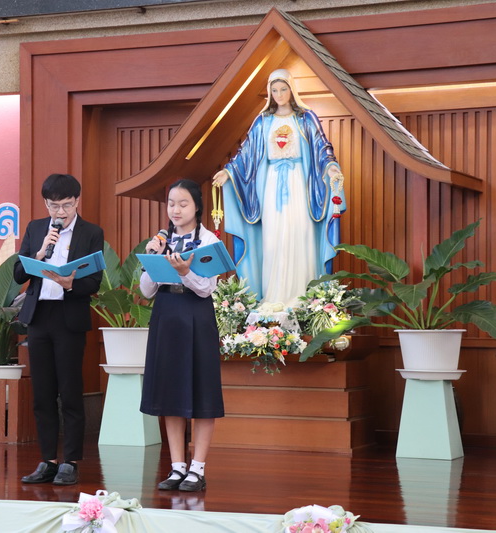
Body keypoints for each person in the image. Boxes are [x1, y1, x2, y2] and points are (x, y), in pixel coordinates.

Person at [212, 69, 346, 308]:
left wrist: (331, 167)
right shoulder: (263, 121)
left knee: (300, 233)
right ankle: (273, 296)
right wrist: (229, 171)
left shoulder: (305, 118)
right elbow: (246, 152)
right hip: (271, 185)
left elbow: (322, 147)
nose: (279, 94)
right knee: (273, 238)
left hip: (299, 182)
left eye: (283, 89)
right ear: (269, 93)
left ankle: (303, 298)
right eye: (274, 90)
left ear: (292, 90)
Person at [13, 173, 104, 486]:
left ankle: (71, 462)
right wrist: (39, 254)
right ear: (46, 204)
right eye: (54, 206)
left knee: (70, 392)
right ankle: (48, 460)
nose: (60, 212)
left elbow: (94, 282)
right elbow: (18, 274)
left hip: (69, 318)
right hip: (40, 317)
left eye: (66, 205)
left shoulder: (91, 232)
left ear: (77, 201)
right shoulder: (36, 228)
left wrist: (70, 284)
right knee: (42, 393)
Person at [139, 178, 224, 492]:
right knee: (170, 393)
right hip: (166, 315)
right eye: (171, 204)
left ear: (197, 206)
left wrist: (186, 272)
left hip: (196, 316)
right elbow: (146, 291)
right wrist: (152, 258)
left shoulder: (208, 241)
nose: (176, 210)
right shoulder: (161, 240)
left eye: (183, 203)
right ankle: (177, 468)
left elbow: (206, 288)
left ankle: (197, 469)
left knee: (201, 392)